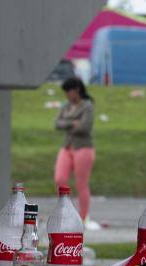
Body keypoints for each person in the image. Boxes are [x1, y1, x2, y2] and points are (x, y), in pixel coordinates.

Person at [54, 77, 98, 228]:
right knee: (60, 179)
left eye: (68, 91)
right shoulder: (66, 105)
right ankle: (65, 213)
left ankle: (83, 217)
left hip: (83, 147)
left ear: (77, 89)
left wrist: (67, 122)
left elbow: (84, 127)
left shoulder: (87, 106)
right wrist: (73, 122)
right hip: (67, 147)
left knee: (81, 183)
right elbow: (57, 124)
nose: (67, 94)